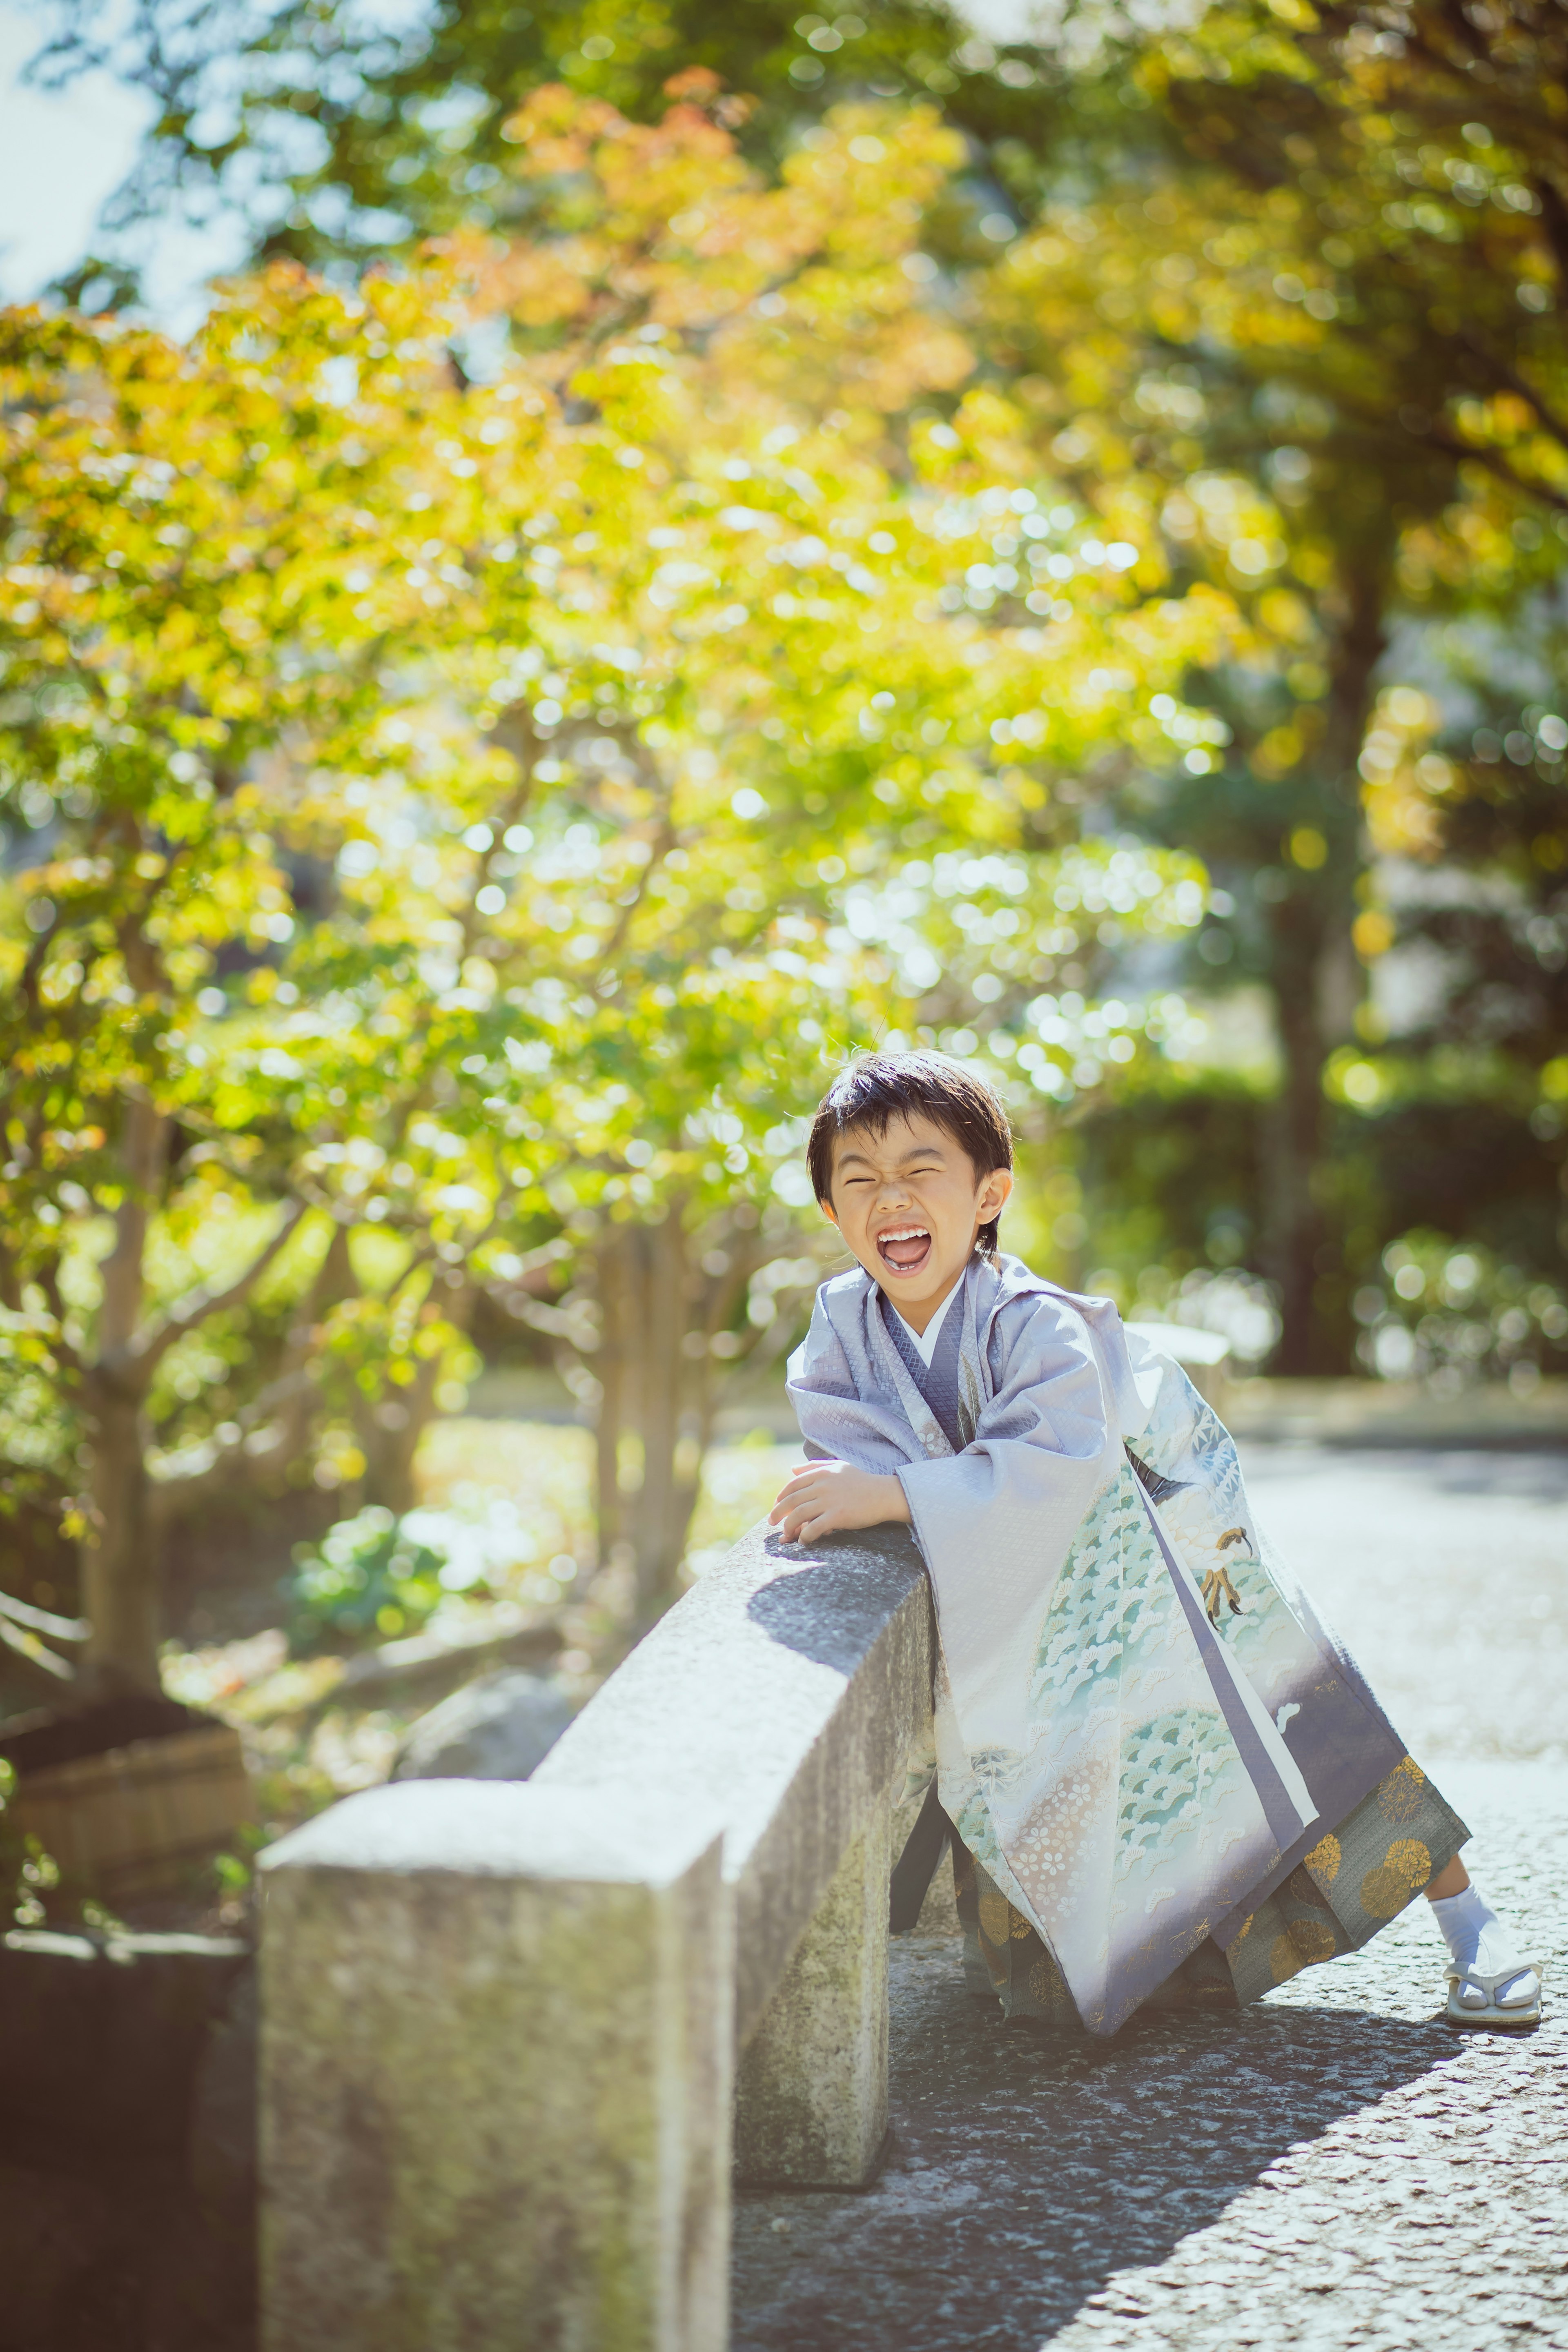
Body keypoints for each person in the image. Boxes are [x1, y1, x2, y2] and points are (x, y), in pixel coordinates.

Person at [771, 1049, 1541, 2036]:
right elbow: (847, 1450)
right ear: (833, 1214)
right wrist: (887, 1493)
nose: (892, 1202)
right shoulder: (843, 1326)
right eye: (860, 1180)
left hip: (1161, 1552)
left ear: (990, 1191)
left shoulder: (1037, 1323)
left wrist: (896, 1493)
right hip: (1022, 1587)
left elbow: (1048, 1465)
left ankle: (1470, 1922)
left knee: (1299, 1719)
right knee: (1108, 1807)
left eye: (923, 1171)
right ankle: (1180, 1960)